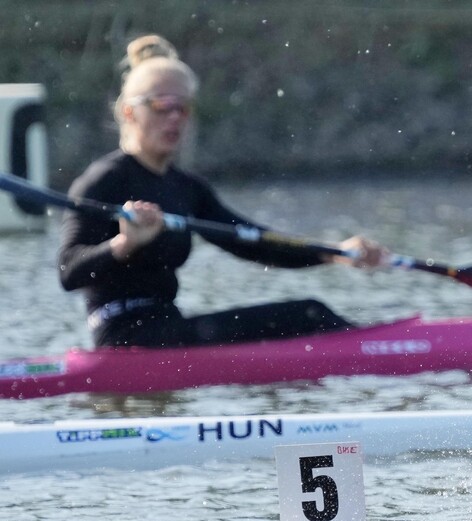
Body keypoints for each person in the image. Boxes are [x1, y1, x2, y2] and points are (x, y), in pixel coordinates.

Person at [57, 34, 388, 348]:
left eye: (183, 107)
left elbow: (251, 240)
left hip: (169, 327)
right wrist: (125, 243)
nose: (175, 118)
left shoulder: (187, 188)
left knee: (308, 314)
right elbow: (68, 271)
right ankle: (382, 349)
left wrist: (334, 252)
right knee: (308, 314)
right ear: (130, 112)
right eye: (162, 105)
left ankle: (374, 345)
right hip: (123, 336)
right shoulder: (102, 181)